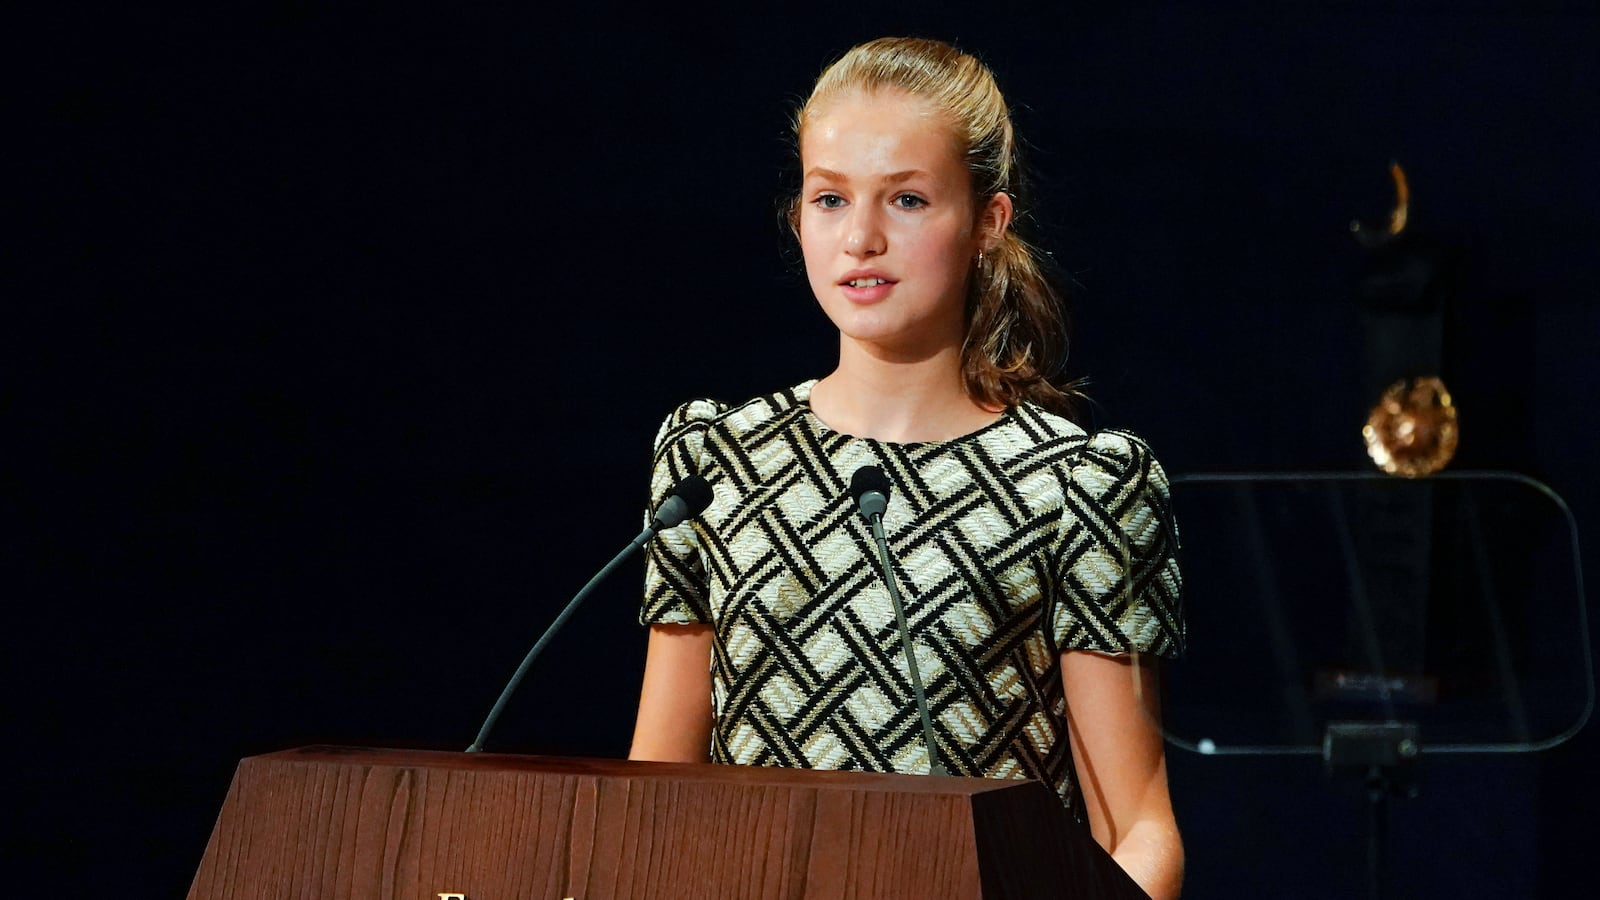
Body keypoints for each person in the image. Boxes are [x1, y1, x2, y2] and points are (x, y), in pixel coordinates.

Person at [628, 37, 1185, 899]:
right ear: (797, 218)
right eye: (829, 198)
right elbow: (654, 795)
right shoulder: (715, 458)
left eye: (909, 199)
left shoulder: (1081, 486)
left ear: (988, 222)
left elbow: (1137, 829)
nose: (861, 237)